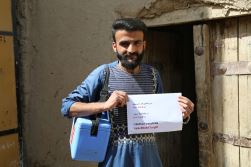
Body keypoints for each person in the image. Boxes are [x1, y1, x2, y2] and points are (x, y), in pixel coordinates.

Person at [61, 18, 194, 167]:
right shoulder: (103, 74)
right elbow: (67, 107)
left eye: (137, 43)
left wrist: (183, 114)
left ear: (144, 45)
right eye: (124, 44)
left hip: (148, 159)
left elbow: (160, 118)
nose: (131, 49)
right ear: (114, 46)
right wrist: (104, 105)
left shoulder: (153, 75)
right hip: (115, 159)